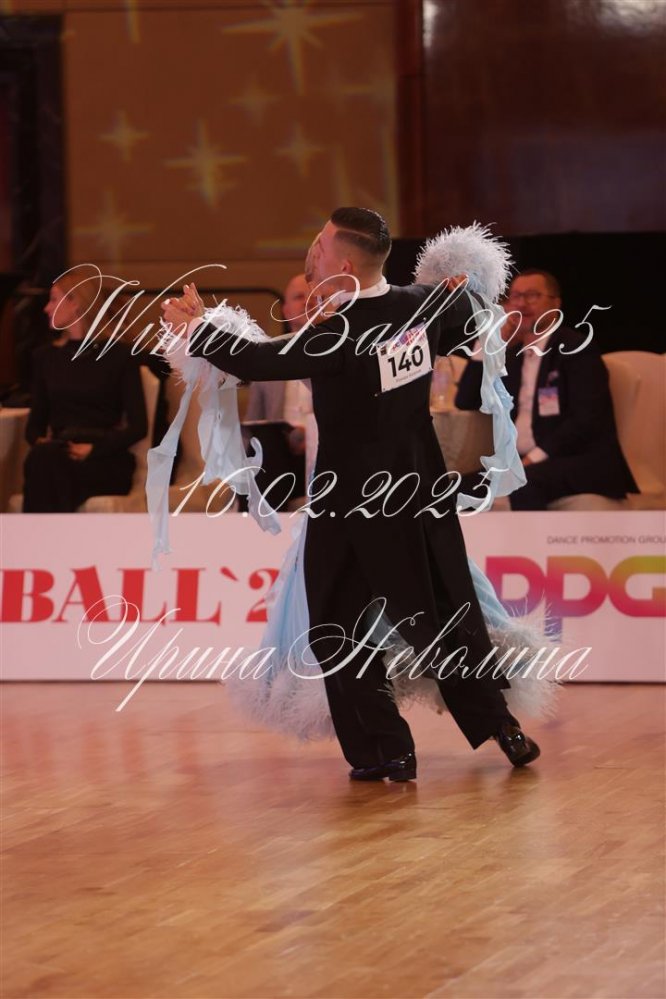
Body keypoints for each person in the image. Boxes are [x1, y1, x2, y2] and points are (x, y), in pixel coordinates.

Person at [162, 208, 542, 781]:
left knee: (337, 624)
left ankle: (388, 750)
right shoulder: (424, 303)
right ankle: (503, 728)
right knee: (443, 613)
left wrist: (196, 328)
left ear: (343, 263)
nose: (311, 251)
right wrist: (461, 290)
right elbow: (470, 320)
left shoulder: (338, 333)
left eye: (319, 244)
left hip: (350, 500)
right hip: (419, 490)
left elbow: (260, 359)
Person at [455, 269, 638, 509]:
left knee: (523, 483)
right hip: (527, 463)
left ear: (555, 304)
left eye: (532, 295)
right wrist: (487, 341)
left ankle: (524, 535)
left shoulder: (576, 349)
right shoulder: (512, 356)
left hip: (579, 460)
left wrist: (532, 459)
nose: (522, 304)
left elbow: (585, 420)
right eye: (516, 296)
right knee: (456, 487)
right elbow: (466, 400)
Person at [23, 270, 147, 512]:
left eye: (53, 300)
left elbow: (138, 426)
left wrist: (93, 449)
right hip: (59, 452)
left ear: (76, 303)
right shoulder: (44, 358)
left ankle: (39, 533)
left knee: (44, 467)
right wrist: (41, 442)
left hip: (104, 458)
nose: (46, 308)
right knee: (44, 459)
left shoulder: (120, 356)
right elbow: (34, 426)